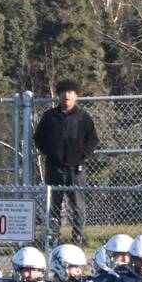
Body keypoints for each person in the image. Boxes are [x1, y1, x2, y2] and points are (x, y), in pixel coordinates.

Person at [34, 79, 101, 245]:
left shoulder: (83, 117)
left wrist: (81, 157)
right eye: (63, 92)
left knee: (78, 206)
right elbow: (38, 139)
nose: (67, 95)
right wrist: (51, 154)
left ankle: (76, 240)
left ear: (76, 96)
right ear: (59, 95)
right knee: (54, 204)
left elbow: (92, 140)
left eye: (70, 92)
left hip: (75, 170)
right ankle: (53, 239)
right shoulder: (50, 116)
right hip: (54, 169)